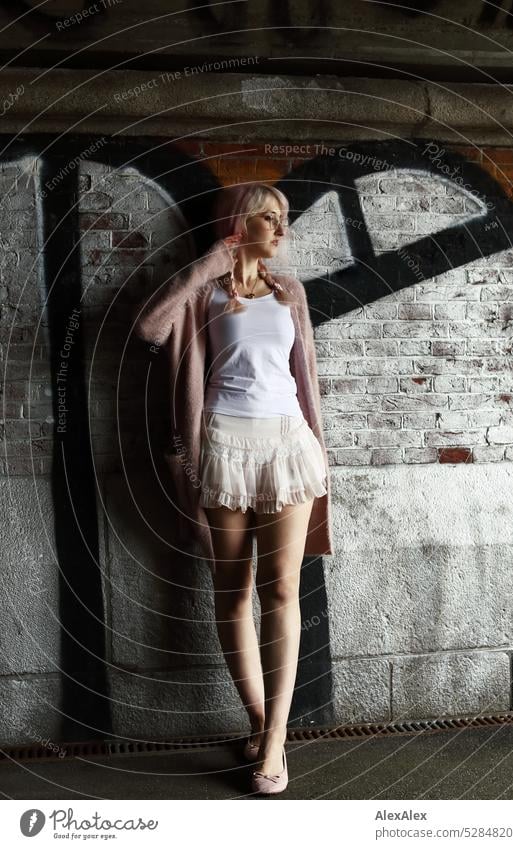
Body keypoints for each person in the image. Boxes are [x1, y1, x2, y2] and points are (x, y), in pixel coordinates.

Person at [134, 182, 334, 795]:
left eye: (284, 219)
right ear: (237, 223)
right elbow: (148, 328)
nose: (282, 229)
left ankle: (274, 743)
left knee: (281, 589)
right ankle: (260, 719)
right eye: (269, 217)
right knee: (235, 596)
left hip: (287, 447)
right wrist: (211, 265)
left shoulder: (289, 293)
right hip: (221, 447)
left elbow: (304, 379)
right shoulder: (204, 296)